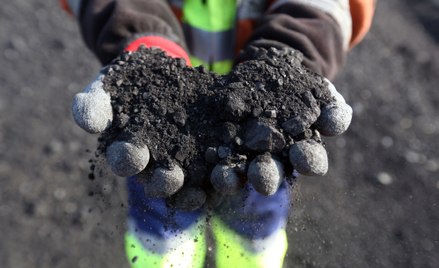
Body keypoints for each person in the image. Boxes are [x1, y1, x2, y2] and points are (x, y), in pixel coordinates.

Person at [60, 0, 375, 267]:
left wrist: (296, 48)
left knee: (257, 210)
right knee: (160, 214)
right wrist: (143, 44)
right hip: (157, 125)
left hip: (261, 130)